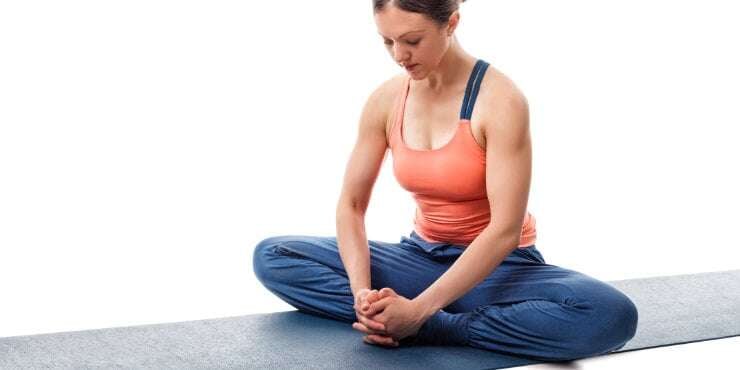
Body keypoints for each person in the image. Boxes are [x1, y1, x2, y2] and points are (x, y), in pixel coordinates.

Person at [252, 0, 638, 362]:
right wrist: (363, 296)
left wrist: (421, 312)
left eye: (412, 41)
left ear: (451, 23)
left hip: (497, 268)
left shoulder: (500, 101)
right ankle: (396, 314)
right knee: (274, 256)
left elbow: (504, 231)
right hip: (419, 259)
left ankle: (440, 325)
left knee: (610, 314)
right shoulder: (386, 101)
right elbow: (351, 206)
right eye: (387, 41)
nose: (399, 56)